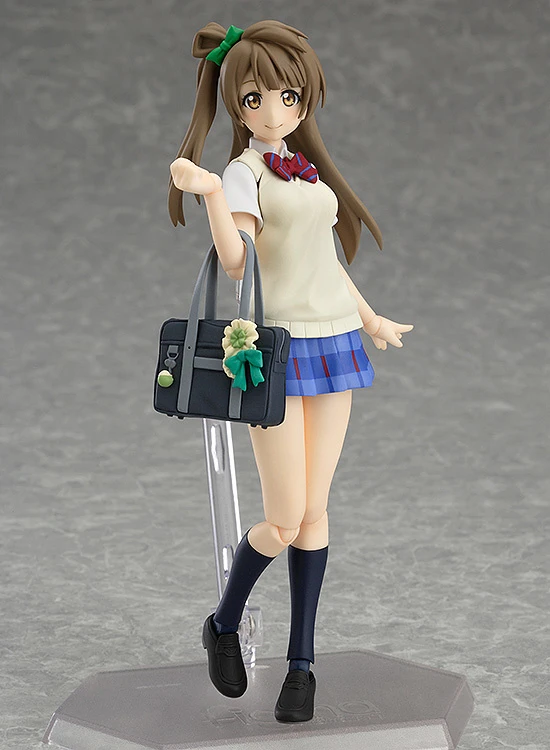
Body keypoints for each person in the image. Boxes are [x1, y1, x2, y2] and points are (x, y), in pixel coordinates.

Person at [168, 20, 413, 722]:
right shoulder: (244, 174)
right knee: (283, 518)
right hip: (275, 352)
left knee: (315, 514)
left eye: (287, 95)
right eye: (254, 99)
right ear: (237, 104)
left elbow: (324, 262)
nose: (273, 111)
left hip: (334, 342)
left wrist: (369, 317)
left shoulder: (301, 170)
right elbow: (237, 262)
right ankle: (224, 622)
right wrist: (210, 193)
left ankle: (302, 662)